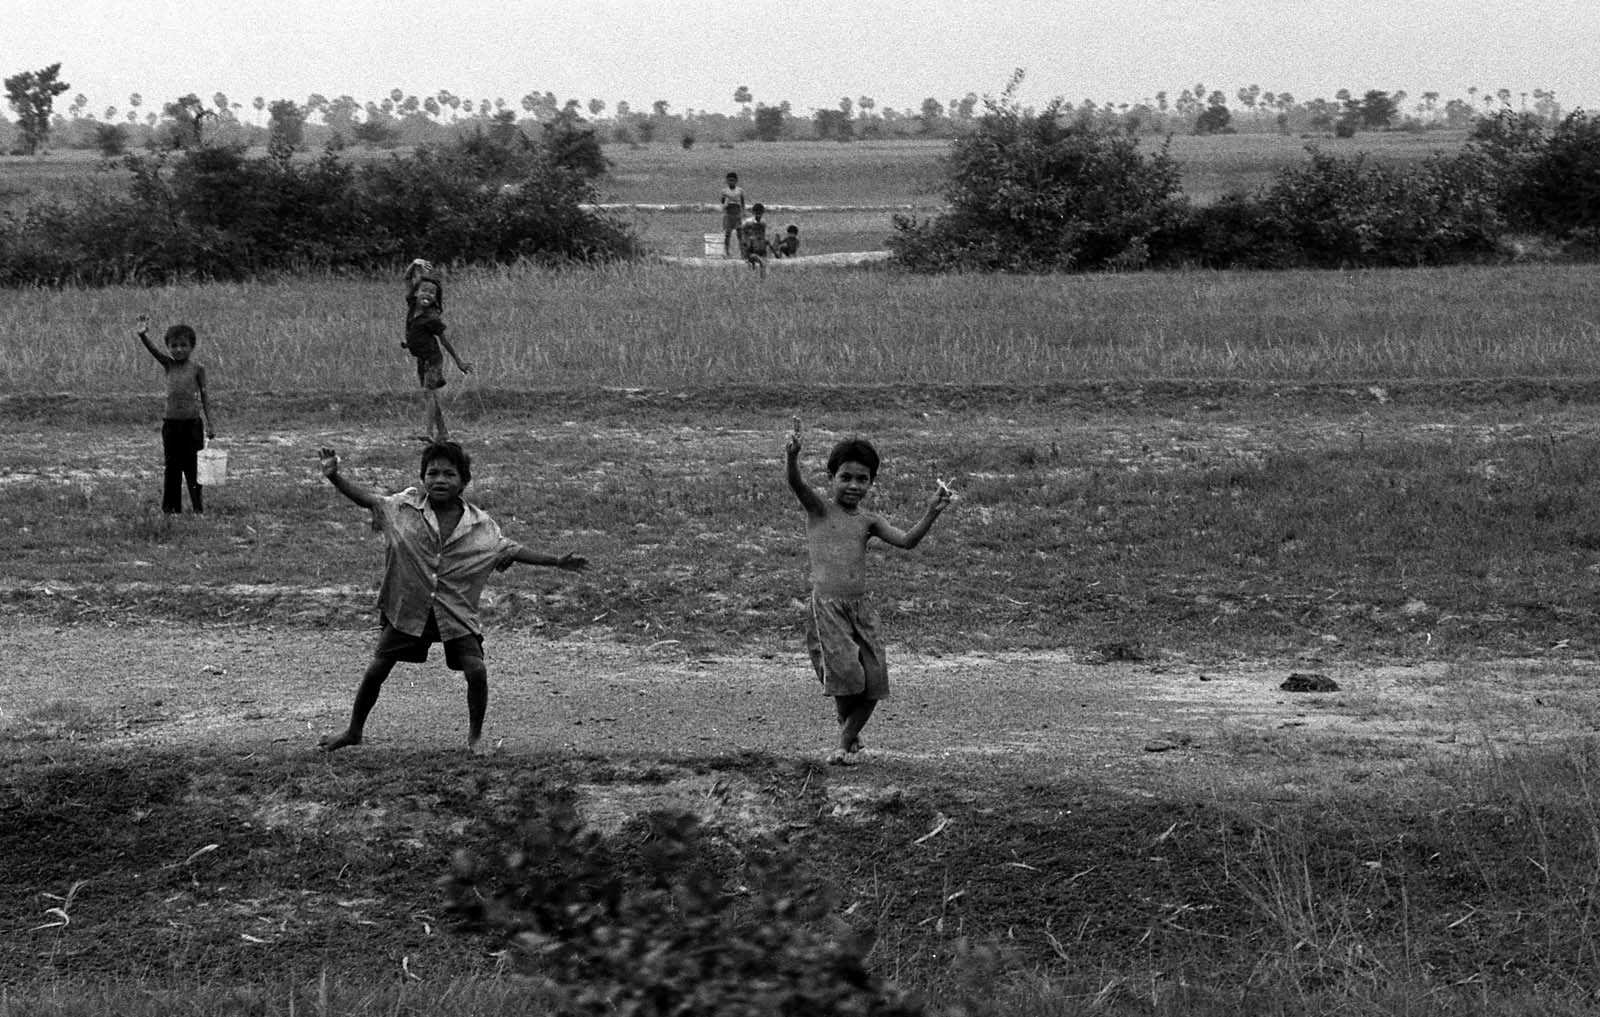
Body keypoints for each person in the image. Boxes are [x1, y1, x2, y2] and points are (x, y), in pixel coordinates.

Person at [316, 441, 587, 754]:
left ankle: (476, 738)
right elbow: (368, 500)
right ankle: (353, 730)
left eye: (449, 474)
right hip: (411, 607)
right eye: (432, 473)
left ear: (464, 481)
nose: (439, 480)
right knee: (378, 669)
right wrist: (335, 477)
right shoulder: (403, 507)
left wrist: (555, 561)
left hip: (453, 611)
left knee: (476, 671)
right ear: (422, 477)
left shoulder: (481, 526)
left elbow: (509, 549)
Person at [785, 423, 954, 765]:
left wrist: (931, 512)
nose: (853, 485)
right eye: (846, 477)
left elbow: (907, 541)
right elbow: (796, 484)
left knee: (874, 680)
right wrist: (792, 457)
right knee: (847, 677)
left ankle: (846, 733)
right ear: (832, 476)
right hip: (828, 609)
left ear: (871, 483)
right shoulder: (819, 510)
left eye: (862, 479)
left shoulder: (869, 520)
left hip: (860, 609)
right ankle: (846, 737)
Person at [136, 315, 216, 515]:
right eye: (174, 346)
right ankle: (171, 509)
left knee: (193, 468)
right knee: (172, 467)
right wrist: (142, 335)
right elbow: (153, 350)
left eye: (183, 345)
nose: (178, 349)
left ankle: (198, 508)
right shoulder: (168, 365)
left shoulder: (198, 369)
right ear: (169, 347)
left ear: (192, 347)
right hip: (171, 425)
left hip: (193, 425)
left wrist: (210, 424)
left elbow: (205, 397)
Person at [402, 262, 473, 443]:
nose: (428, 294)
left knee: (429, 393)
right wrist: (414, 264)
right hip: (422, 359)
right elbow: (407, 279)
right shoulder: (412, 306)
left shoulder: (432, 318)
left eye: (432, 293)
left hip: (432, 360)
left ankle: (428, 432)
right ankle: (443, 433)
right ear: (416, 293)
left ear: (435, 299)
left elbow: (444, 341)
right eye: (424, 290)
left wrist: (459, 362)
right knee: (431, 395)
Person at [739, 203, 771, 279]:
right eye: (757, 213)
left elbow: (762, 235)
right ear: (753, 213)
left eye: (760, 214)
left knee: (764, 263)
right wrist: (745, 247)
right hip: (750, 250)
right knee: (761, 262)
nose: (759, 216)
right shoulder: (748, 222)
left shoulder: (763, 223)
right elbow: (742, 236)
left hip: (760, 249)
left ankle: (763, 279)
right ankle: (762, 278)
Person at [719, 171, 747, 256]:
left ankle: (743, 252)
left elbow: (742, 202)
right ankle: (727, 252)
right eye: (729, 180)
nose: (731, 182)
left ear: (736, 181)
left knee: (740, 234)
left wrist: (743, 212)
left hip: (737, 213)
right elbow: (722, 201)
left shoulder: (740, 190)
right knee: (727, 234)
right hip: (728, 213)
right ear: (727, 181)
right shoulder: (724, 191)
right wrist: (724, 205)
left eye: (733, 180)